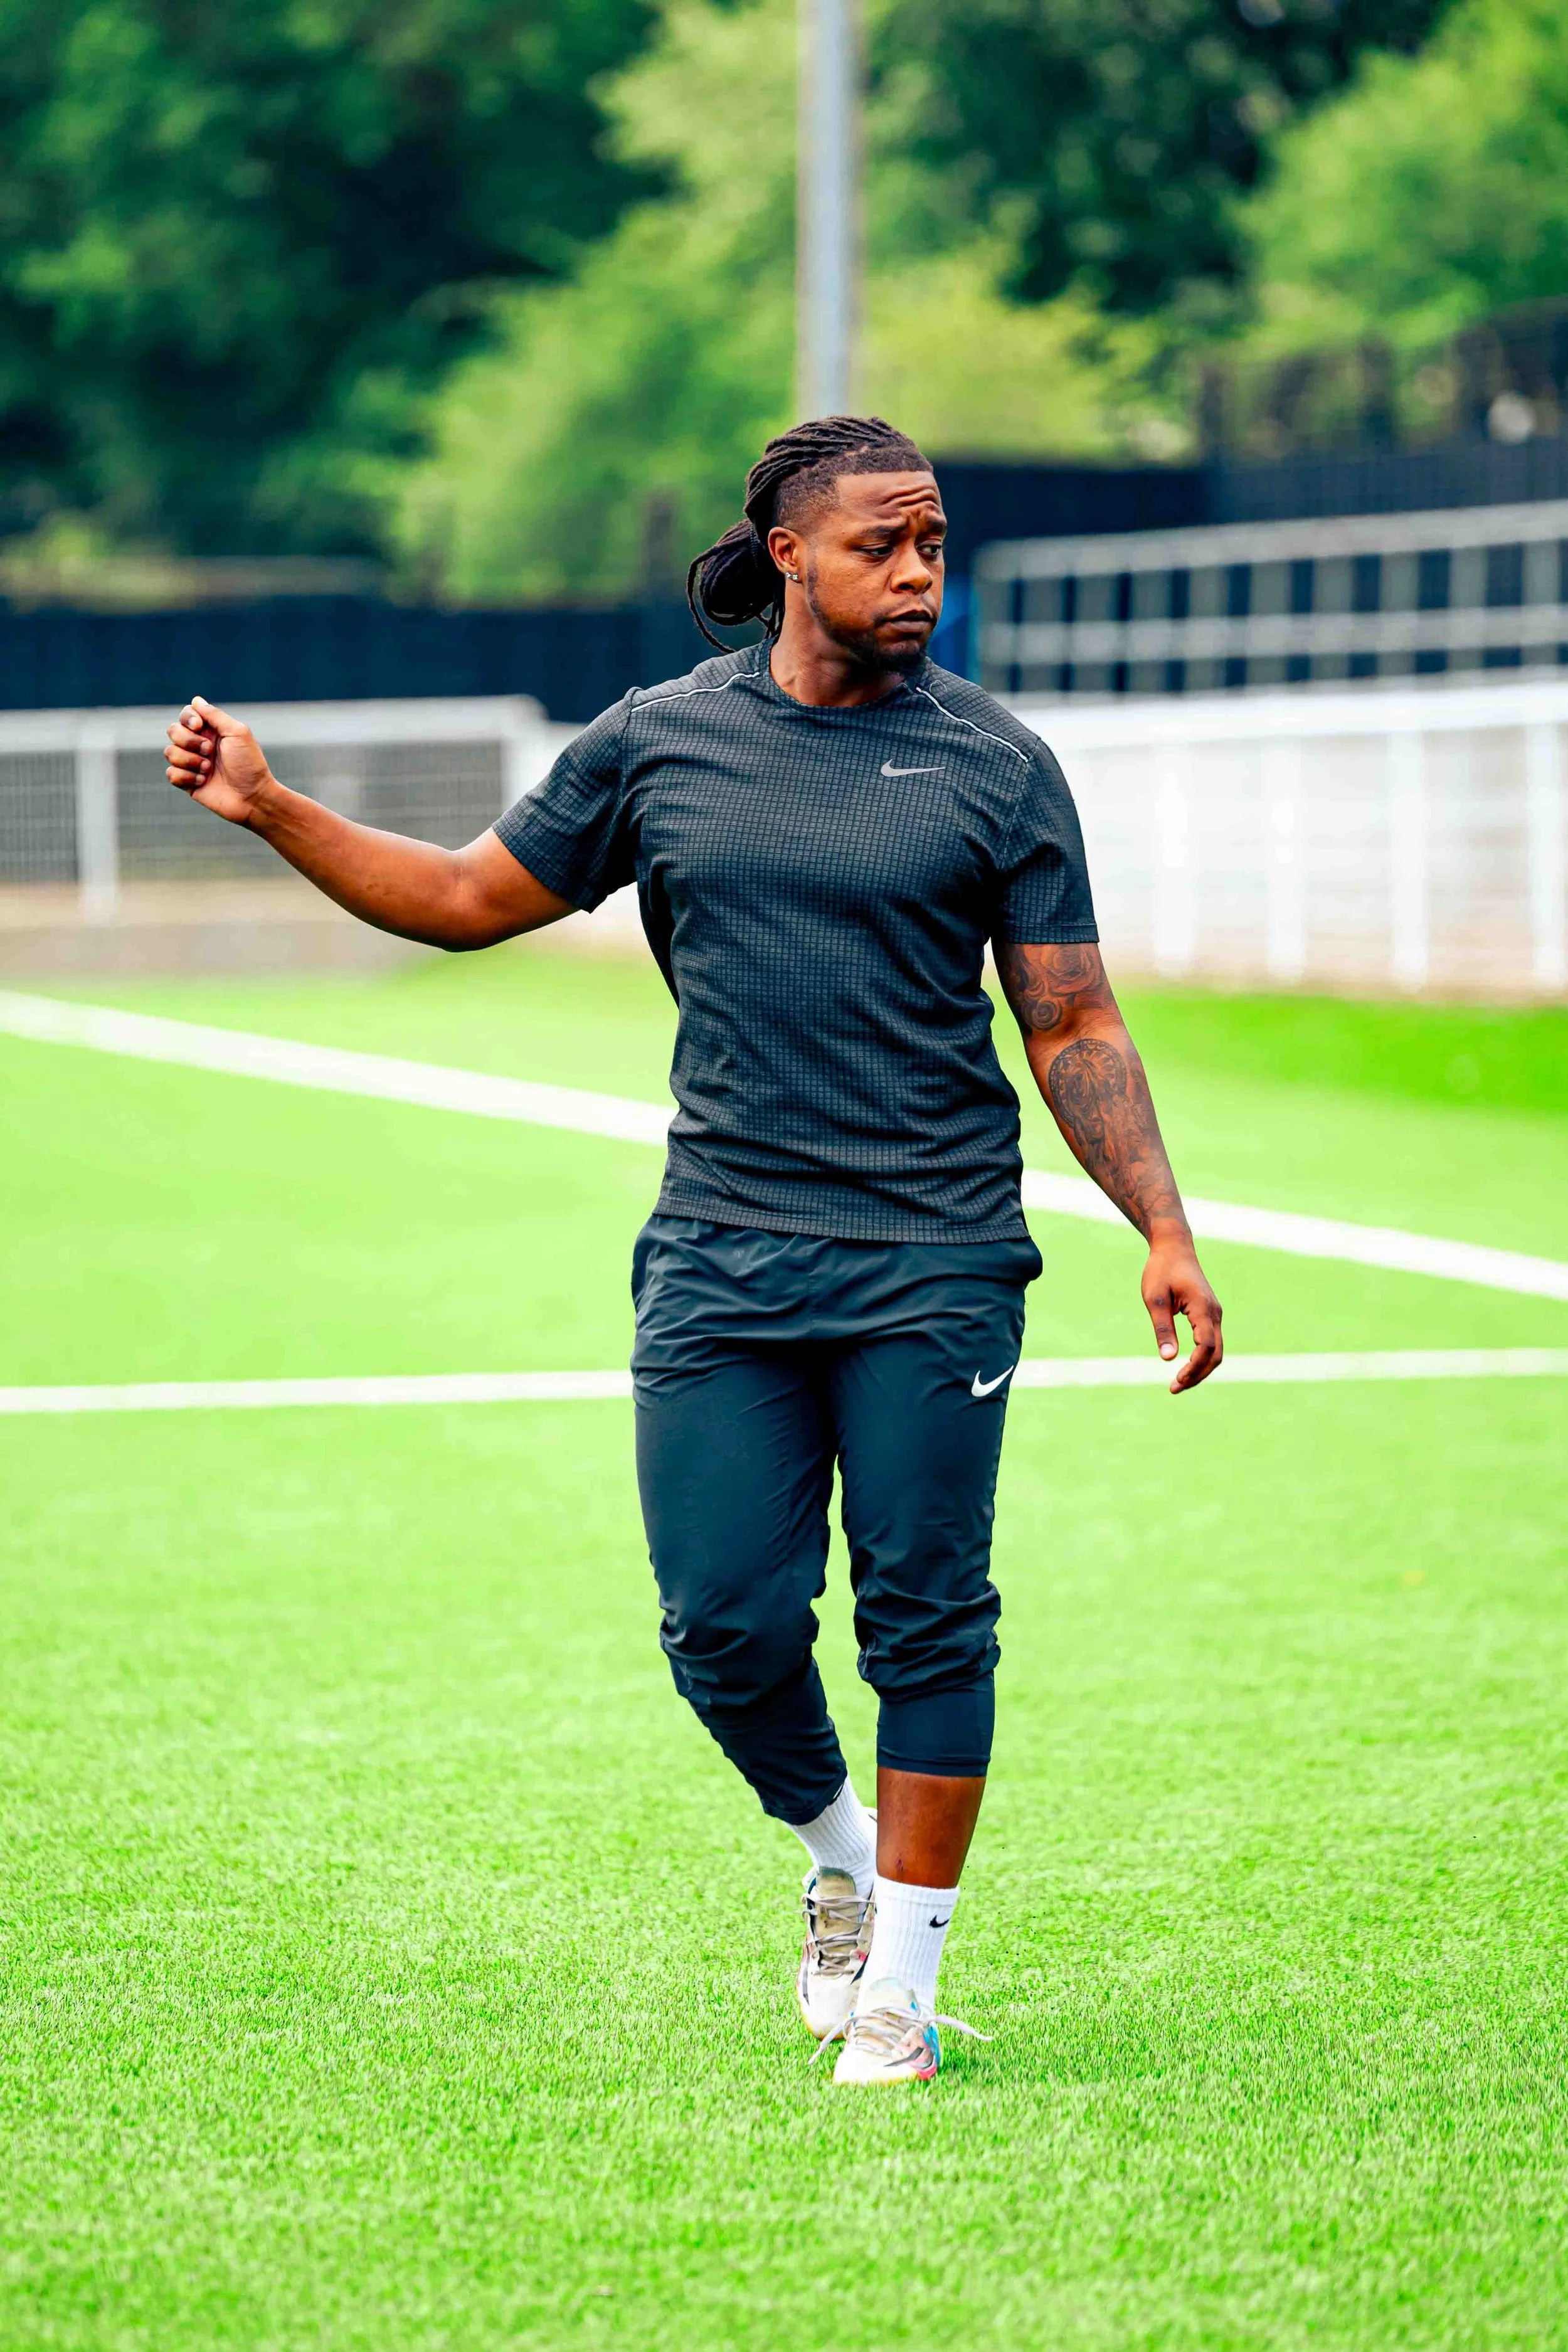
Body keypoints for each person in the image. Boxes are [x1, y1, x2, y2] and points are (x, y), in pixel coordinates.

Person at [164, 415, 1222, 2087]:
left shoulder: (994, 763)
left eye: (934, 543)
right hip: (725, 1247)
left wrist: (1159, 1223)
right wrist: (274, 806)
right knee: (719, 1621)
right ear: (788, 552)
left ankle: (901, 1991)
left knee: (927, 1614)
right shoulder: (657, 743)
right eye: (882, 544)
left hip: (935, 1247)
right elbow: (459, 898)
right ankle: (839, 1859)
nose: (919, 574)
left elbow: (1070, 1017)